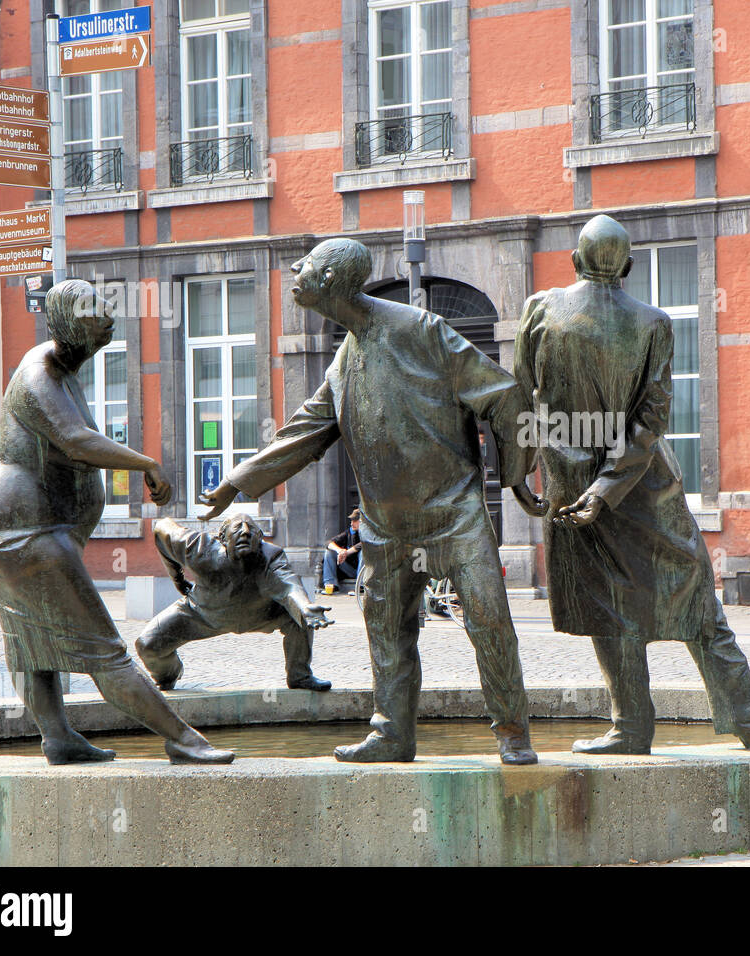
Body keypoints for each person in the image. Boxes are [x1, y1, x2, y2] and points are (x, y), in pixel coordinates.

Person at [200, 238, 539, 765]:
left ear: (332, 279)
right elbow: (306, 430)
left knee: (490, 623)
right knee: (386, 632)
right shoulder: (344, 357)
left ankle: (513, 733)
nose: (295, 268)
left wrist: (514, 474)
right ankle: (391, 734)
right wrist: (236, 483)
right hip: (385, 527)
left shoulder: (421, 331)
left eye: (307, 265)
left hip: (454, 515)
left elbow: (502, 394)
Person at [511, 214, 750, 755]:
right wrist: (608, 486)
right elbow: (651, 421)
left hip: (568, 480)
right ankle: (747, 721)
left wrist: (520, 473)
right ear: (628, 267)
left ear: (575, 261)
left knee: (611, 607)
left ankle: (632, 726)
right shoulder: (654, 322)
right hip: (643, 484)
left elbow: (520, 401)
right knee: (695, 598)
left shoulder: (540, 309)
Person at [0, 279, 233, 764]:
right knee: (104, 648)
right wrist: (145, 463)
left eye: (106, 306)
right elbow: (76, 441)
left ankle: (58, 738)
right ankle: (184, 740)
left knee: (31, 640)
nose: (106, 314)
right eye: (91, 310)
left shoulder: (63, 368)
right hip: (23, 532)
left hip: (21, 527)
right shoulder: (39, 372)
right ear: (65, 323)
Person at [135, 514, 334, 692]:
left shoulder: (271, 557)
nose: (245, 532)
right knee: (147, 645)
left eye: (252, 529)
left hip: (260, 614)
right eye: (238, 527)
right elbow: (162, 528)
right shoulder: (198, 548)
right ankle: (169, 674)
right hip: (202, 614)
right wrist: (177, 577)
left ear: (260, 538)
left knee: (299, 615)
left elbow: (289, 585)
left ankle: (300, 676)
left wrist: (305, 607)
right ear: (222, 538)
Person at [322, 508, 363, 595]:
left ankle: (360, 587)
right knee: (329, 552)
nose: (352, 523)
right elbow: (329, 543)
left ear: (362, 521)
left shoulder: (367, 534)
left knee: (363, 553)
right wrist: (339, 550)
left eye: (355, 521)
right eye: (351, 520)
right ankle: (331, 585)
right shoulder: (348, 533)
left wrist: (346, 553)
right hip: (348, 569)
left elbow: (363, 544)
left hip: (363, 570)